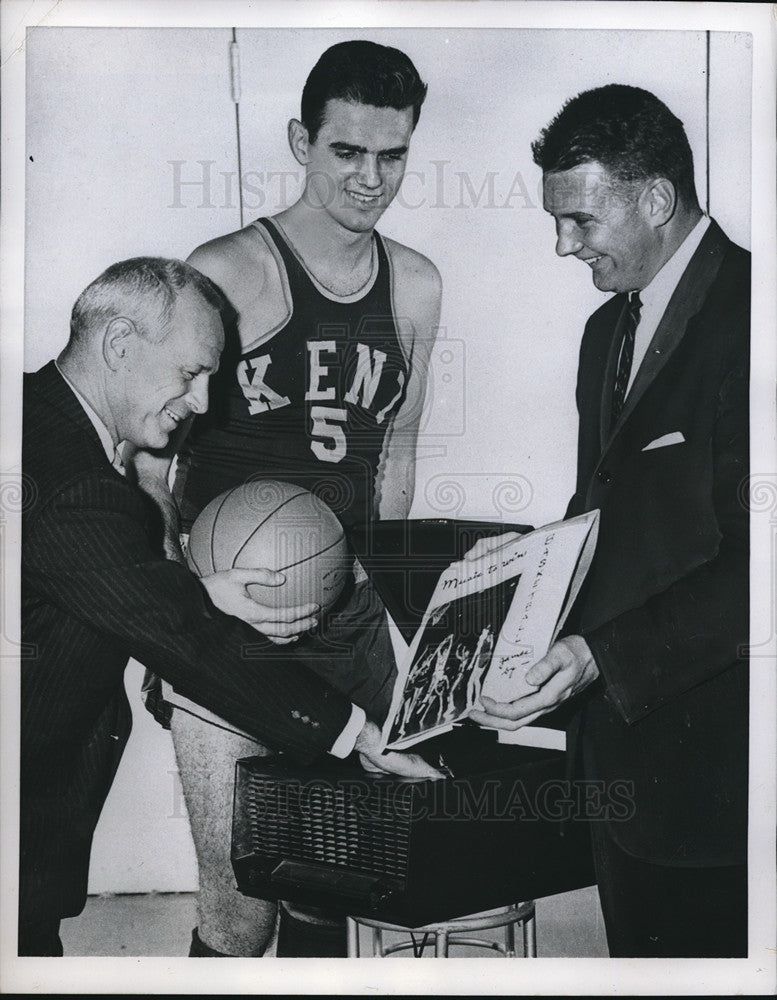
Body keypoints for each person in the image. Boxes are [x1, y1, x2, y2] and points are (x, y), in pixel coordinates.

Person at [19, 257, 439, 957]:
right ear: (119, 344)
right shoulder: (81, 489)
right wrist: (358, 736)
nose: (204, 402)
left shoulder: (29, 418)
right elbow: (191, 643)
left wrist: (194, 590)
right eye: (190, 373)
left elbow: (79, 586)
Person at [131, 40, 441, 957]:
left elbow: (401, 448)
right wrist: (178, 588)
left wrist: (394, 608)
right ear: (303, 139)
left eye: (392, 154)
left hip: (343, 617)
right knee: (241, 907)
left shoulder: (415, 284)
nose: (370, 178)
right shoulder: (225, 269)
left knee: (328, 888)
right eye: (347, 151)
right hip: (234, 621)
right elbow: (149, 457)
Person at [470, 85, 749, 957]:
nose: (562, 245)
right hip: (622, 771)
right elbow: (610, 513)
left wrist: (598, 655)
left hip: (722, 777)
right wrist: (520, 568)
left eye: (581, 221)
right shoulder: (604, 331)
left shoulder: (759, 317)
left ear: (656, 200)